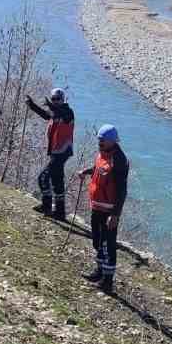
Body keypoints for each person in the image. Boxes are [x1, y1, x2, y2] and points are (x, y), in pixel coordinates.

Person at [76, 125, 128, 294]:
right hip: (97, 206)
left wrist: (115, 215)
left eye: (102, 139)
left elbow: (122, 190)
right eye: (98, 139)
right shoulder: (101, 155)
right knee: (97, 241)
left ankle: (107, 280)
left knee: (108, 245)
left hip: (109, 211)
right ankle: (99, 271)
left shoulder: (119, 160)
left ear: (112, 141)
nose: (99, 142)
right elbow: (99, 170)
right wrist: (86, 171)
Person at [25, 88, 75, 219]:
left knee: (42, 178)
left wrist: (51, 106)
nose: (55, 101)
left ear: (63, 99)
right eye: (53, 99)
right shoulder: (56, 113)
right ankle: (60, 212)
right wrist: (32, 105)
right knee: (57, 181)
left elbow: (61, 114)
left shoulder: (68, 113)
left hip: (61, 153)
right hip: (56, 152)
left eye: (57, 99)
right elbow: (46, 114)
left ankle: (46, 206)